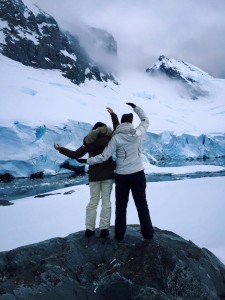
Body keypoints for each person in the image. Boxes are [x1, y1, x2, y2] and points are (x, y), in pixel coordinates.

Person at [87, 103, 154, 241]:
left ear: (121, 123)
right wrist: (136, 108)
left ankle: (119, 235)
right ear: (130, 122)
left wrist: (89, 161)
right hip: (138, 174)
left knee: (121, 207)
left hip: (122, 176)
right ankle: (148, 233)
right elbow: (145, 121)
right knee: (142, 204)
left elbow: (104, 156)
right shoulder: (138, 133)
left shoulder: (116, 138)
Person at [54, 107, 119, 238]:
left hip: (94, 176)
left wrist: (60, 149)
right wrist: (113, 115)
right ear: (105, 130)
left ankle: (90, 229)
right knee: (106, 202)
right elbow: (117, 129)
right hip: (108, 175)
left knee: (93, 202)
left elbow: (75, 154)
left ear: (94, 130)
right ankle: (104, 229)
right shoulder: (111, 139)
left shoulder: (89, 140)